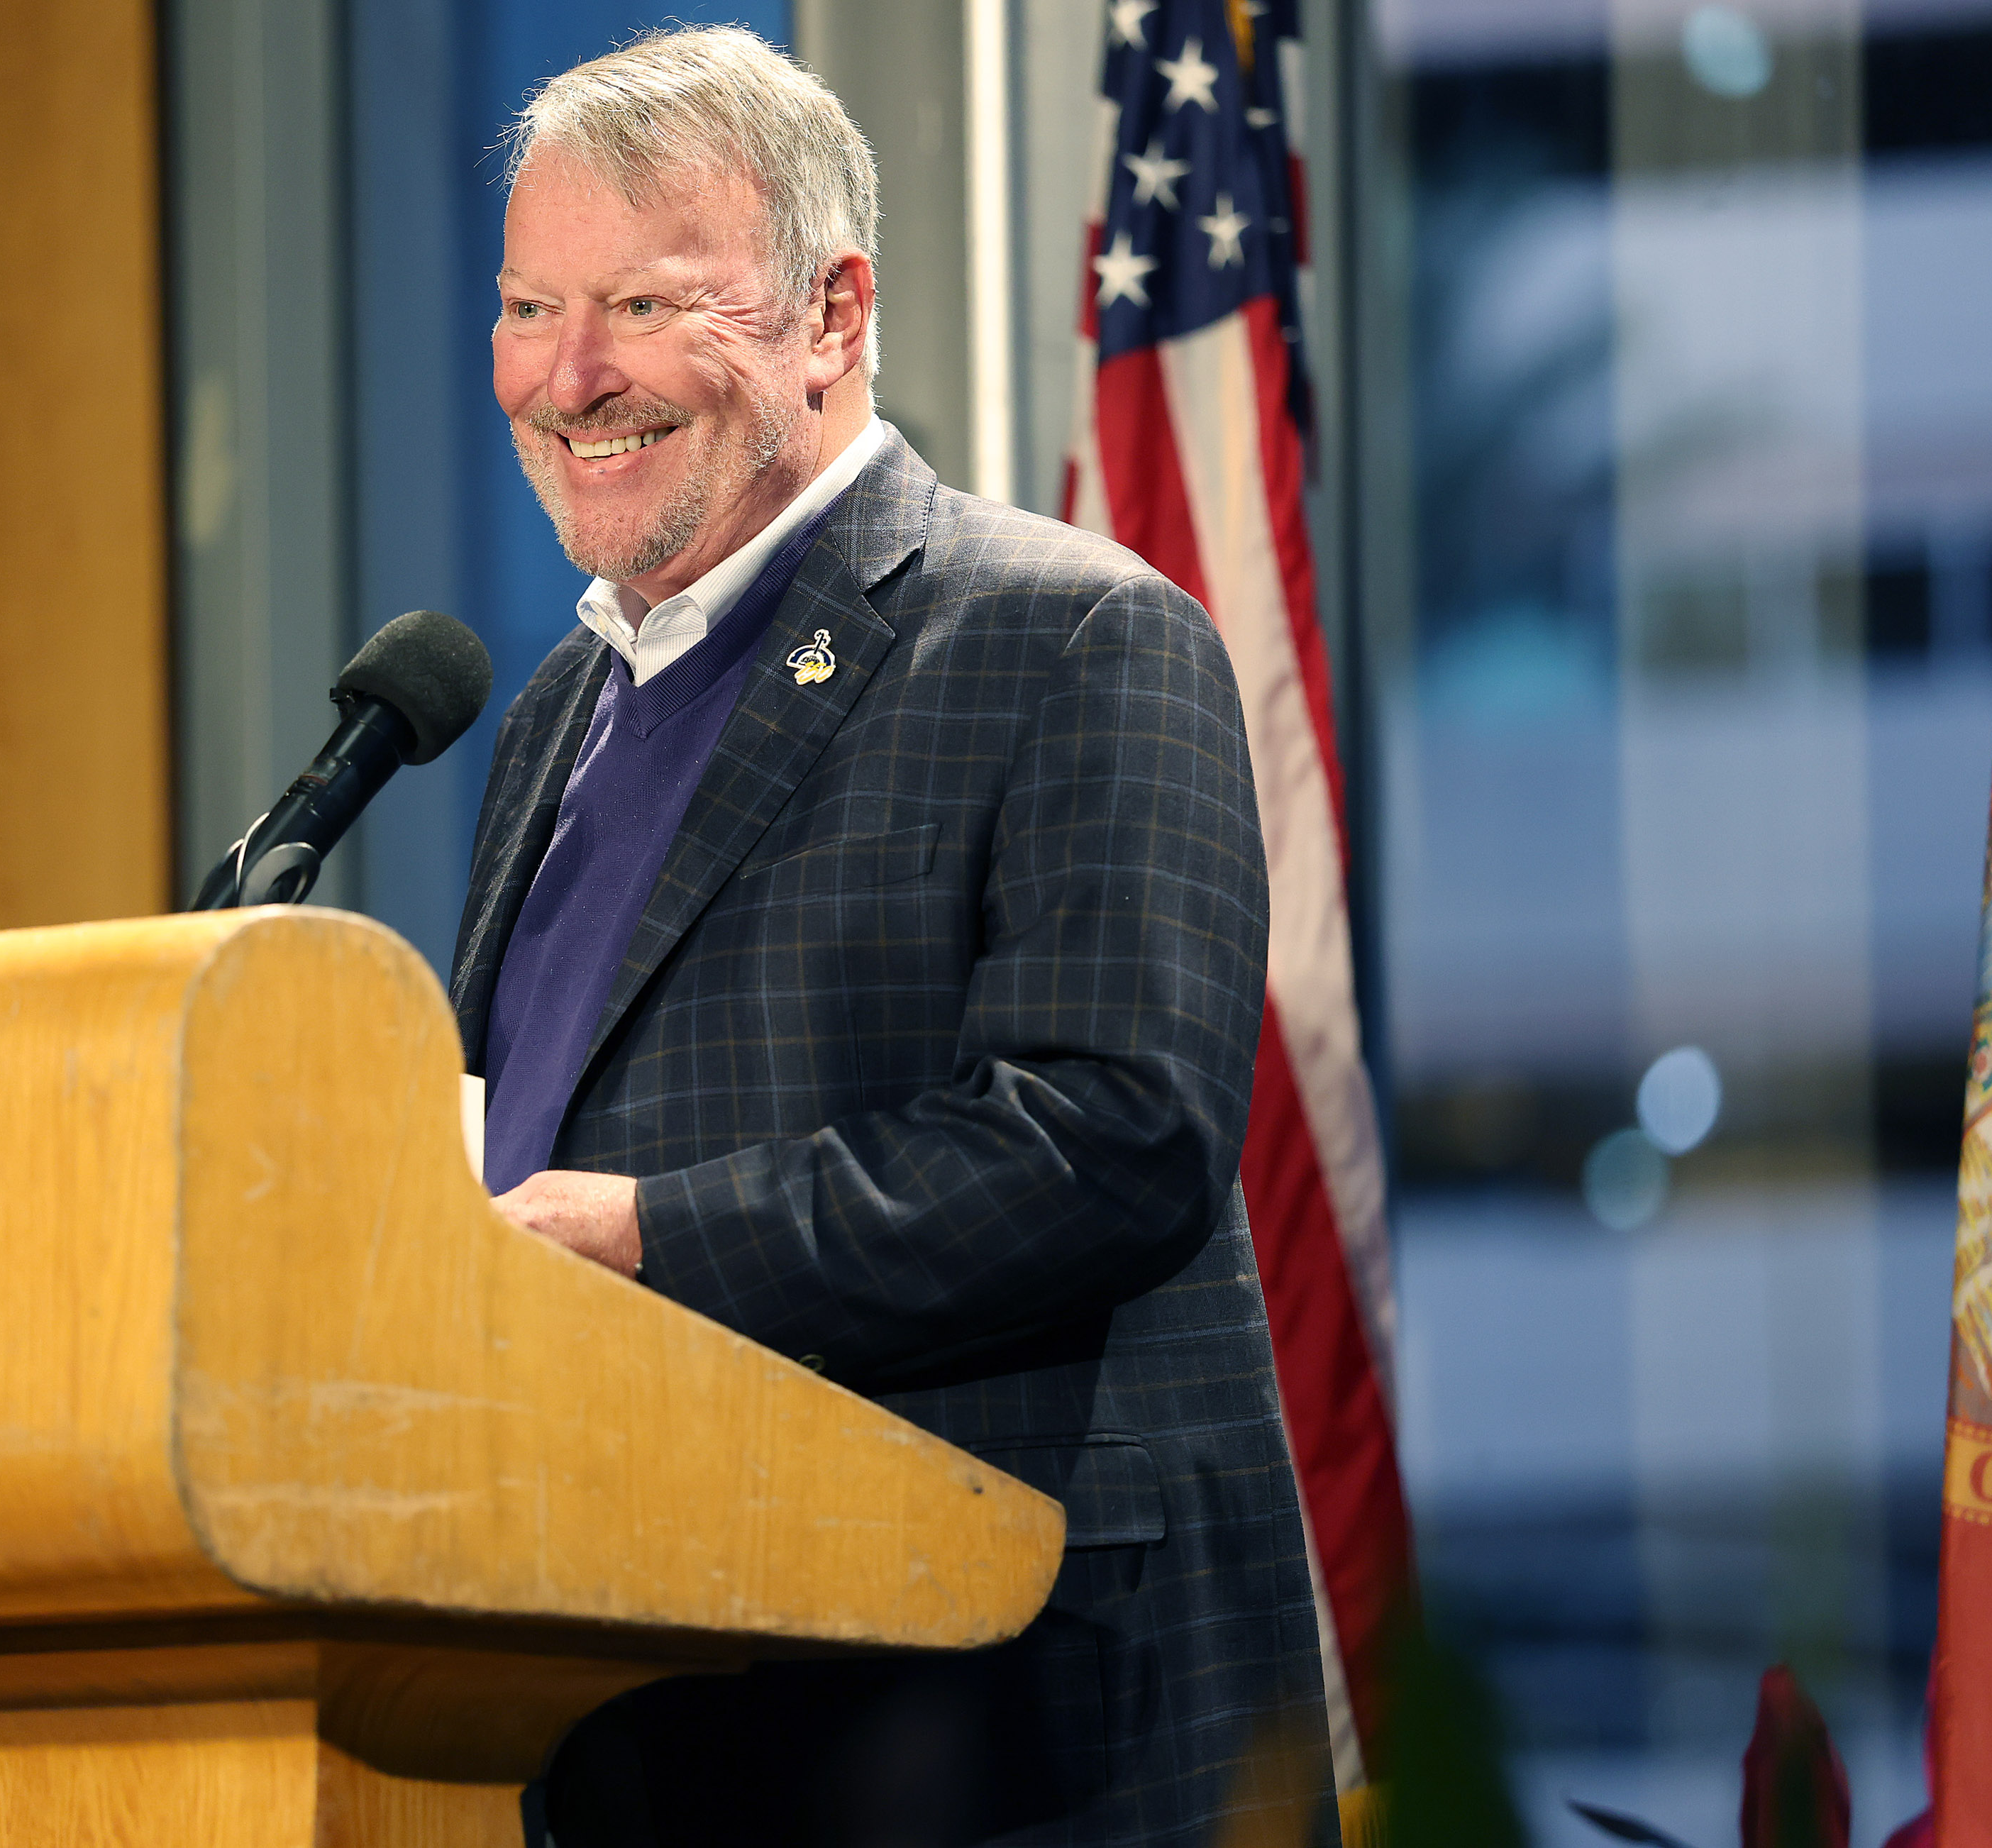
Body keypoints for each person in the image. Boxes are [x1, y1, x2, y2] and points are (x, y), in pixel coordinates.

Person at [455, 26, 1335, 1847]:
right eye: (531, 308)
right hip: (625, 1710)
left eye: (642, 305)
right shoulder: (551, 719)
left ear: (832, 314)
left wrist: (647, 1236)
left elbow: (1114, 1138)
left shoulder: (1073, 638)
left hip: (1002, 1735)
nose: (570, 374)